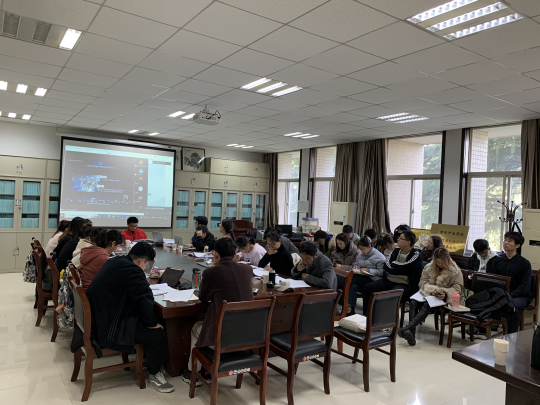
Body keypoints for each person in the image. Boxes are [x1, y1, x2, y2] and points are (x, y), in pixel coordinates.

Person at [87, 242, 174, 393]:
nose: (146, 268)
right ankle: (154, 375)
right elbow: (145, 298)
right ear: (142, 261)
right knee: (157, 334)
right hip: (109, 328)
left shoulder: (116, 261)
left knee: (147, 321)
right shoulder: (133, 270)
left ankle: (149, 359)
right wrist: (152, 323)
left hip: (100, 319)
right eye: (147, 264)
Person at [182, 238, 253, 385]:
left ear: (215, 254)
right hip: (248, 335)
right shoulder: (247, 270)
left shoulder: (212, 272)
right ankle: (204, 370)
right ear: (235, 254)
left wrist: (211, 269)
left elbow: (203, 297)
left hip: (223, 339)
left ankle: (193, 372)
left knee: (196, 327)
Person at [398, 247, 463, 346]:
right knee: (413, 302)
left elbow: (457, 289)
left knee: (427, 304)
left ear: (447, 260)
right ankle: (411, 333)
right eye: (437, 262)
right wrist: (430, 289)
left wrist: (445, 293)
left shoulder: (455, 271)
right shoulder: (429, 267)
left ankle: (407, 328)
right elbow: (422, 282)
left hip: (443, 299)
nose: (439, 264)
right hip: (428, 294)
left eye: (442, 262)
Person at [362, 230, 422, 315]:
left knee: (392, 295)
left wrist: (394, 265)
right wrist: (399, 269)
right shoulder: (396, 251)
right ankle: (367, 316)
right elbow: (386, 264)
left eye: (401, 238)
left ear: (408, 242)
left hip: (404, 284)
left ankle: (387, 320)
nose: (397, 239)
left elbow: (407, 267)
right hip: (389, 280)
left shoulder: (416, 254)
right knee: (367, 288)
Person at [487, 232, 532, 333]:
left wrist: (509, 295)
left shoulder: (524, 263)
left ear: (517, 245)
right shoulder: (497, 260)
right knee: (485, 298)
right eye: (505, 240)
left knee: (512, 305)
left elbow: (524, 286)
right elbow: (491, 280)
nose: (505, 243)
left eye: (509, 241)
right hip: (501, 293)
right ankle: (488, 326)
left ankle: (511, 334)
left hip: (520, 295)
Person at [346, 236, 387, 316]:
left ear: (369, 246)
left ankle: (344, 302)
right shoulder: (360, 255)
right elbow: (356, 264)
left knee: (351, 279)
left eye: (363, 249)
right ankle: (351, 309)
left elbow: (382, 272)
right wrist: (356, 268)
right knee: (354, 286)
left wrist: (368, 270)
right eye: (360, 249)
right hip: (362, 277)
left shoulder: (379, 256)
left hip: (374, 279)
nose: (362, 251)